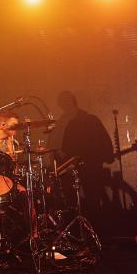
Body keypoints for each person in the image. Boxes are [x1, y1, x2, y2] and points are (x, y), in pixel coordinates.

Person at [55, 91, 114, 220]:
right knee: (80, 199)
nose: (64, 106)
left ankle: (95, 226)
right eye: (62, 103)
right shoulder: (66, 122)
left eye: (65, 102)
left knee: (92, 198)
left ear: (71, 102)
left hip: (89, 166)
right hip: (75, 166)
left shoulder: (88, 120)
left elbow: (104, 141)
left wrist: (106, 156)